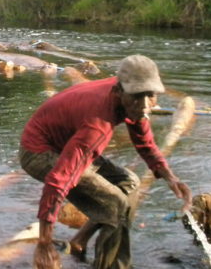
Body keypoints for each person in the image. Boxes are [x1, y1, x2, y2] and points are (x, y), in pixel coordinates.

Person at [19, 54, 192, 269]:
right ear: (119, 92)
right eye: (137, 97)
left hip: (66, 142)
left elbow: (144, 142)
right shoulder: (98, 124)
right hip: (39, 152)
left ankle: (80, 241)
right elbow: (59, 180)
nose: (145, 105)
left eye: (151, 96)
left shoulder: (133, 101)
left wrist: (170, 177)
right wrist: (44, 242)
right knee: (115, 204)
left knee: (129, 183)